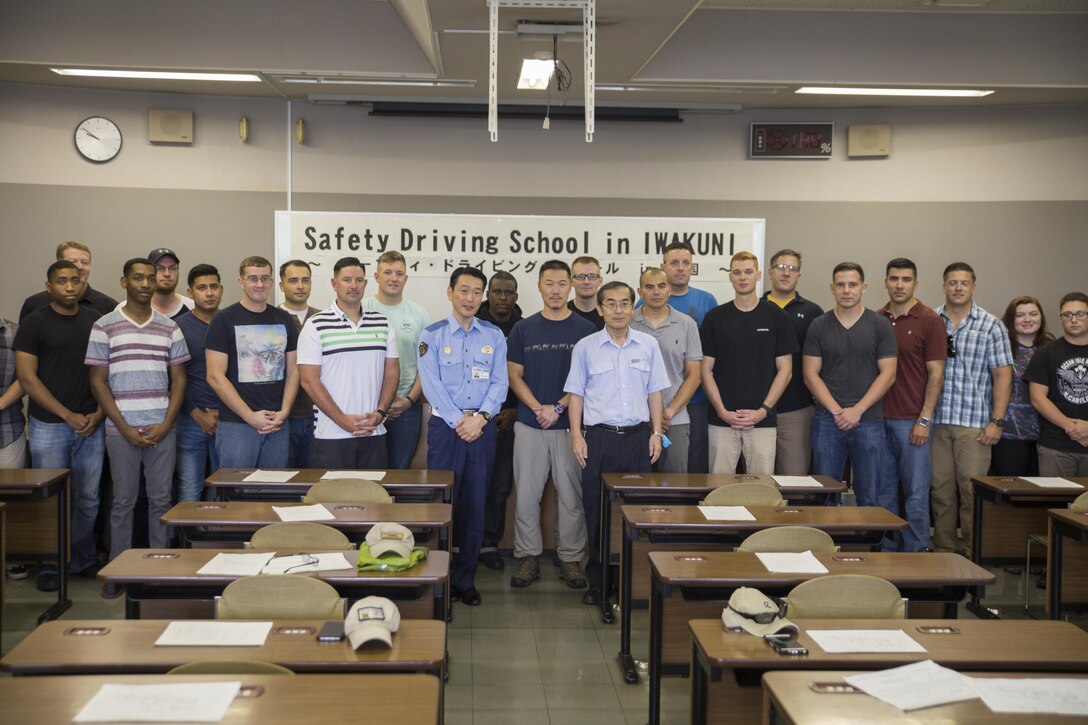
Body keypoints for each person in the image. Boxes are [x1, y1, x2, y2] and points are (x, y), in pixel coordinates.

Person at [565, 281, 669, 606]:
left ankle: (632, 582)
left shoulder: (648, 345)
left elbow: (655, 393)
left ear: (632, 307)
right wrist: (577, 436)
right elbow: (576, 394)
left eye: (624, 303)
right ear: (600, 309)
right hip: (599, 440)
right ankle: (599, 582)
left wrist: (655, 433)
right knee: (597, 513)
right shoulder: (585, 347)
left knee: (636, 513)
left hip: (639, 439)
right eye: (611, 304)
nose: (618, 310)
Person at [85, 258, 188, 563]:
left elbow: (179, 380)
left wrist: (167, 423)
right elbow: (97, 382)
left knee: (161, 500)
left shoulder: (170, 327)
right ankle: (119, 567)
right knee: (123, 502)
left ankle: (159, 566)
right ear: (124, 282)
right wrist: (124, 426)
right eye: (138, 278)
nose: (145, 284)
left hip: (162, 428)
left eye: (150, 278)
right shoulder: (104, 325)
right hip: (120, 429)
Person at [417, 267, 508, 607]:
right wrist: (461, 422)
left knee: (475, 506)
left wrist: (481, 419)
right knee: (443, 507)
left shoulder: (494, 335)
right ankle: (438, 578)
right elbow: (432, 385)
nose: (470, 298)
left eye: (476, 292)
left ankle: (466, 580)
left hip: (482, 431)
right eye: (464, 291)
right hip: (447, 430)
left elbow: (500, 382)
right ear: (450, 292)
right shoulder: (433, 335)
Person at [507, 260, 595, 590]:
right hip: (530, 424)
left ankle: (570, 558)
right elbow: (514, 375)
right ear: (540, 287)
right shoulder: (523, 328)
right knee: (527, 494)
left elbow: (586, 381)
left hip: (570, 427)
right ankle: (528, 556)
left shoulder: (585, 330)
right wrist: (538, 408)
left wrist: (558, 407)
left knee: (571, 496)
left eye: (561, 283)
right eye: (549, 283)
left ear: (570, 286)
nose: (555, 290)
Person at [15, 261, 104, 582]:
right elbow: (27, 379)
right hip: (48, 426)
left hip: (92, 425)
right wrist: (67, 415)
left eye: (75, 280)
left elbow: (105, 375)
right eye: (62, 281)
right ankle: (52, 563)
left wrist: (99, 413)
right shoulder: (35, 323)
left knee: (87, 498)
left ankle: (81, 560)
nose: (70, 286)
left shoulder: (95, 322)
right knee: (51, 498)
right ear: (49, 285)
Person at [931, 262, 1013, 554]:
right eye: (952, 282)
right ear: (943, 286)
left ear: (973, 287)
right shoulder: (932, 321)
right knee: (941, 493)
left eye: (964, 283)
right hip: (937, 423)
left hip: (975, 426)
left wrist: (997, 421)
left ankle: (972, 554)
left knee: (971, 493)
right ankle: (943, 551)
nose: (958, 288)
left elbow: (1003, 376)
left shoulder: (990, 325)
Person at [803, 262, 897, 510]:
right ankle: (827, 548)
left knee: (871, 495)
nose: (846, 290)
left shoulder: (880, 325)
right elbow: (810, 375)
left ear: (863, 287)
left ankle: (867, 549)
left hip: (869, 420)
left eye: (852, 285)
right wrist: (837, 411)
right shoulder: (819, 325)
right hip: (827, 420)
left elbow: (888, 374)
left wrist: (857, 410)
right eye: (841, 285)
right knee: (825, 495)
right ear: (832, 288)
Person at [298, 257, 399, 469]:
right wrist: (341, 419)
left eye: (359, 280)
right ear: (334, 284)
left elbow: (391, 373)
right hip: (330, 435)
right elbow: (308, 380)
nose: (353, 286)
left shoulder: (382, 323)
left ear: (365, 284)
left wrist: (380, 414)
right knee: (331, 501)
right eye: (346, 280)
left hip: (374, 432)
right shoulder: (315, 325)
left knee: (374, 500)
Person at [701, 252, 795, 474]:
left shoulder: (777, 317)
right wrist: (722, 411)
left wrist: (763, 411)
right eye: (737, 272)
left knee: (761, 491)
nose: (743, 277)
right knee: (718, 490)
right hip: (721, 421)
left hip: (762, 421)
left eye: (748, 272)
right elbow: (705, 370)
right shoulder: (715, 317)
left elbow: (786, 370)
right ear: (730, 277)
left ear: (759, 275)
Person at [877, 258, 947, 552]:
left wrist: (924, 419)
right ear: (886, 282)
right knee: (884, 493)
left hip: (912, 421)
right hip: (877, 420)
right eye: (894, 278)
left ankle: (916, 553)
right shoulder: (876, 318)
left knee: (917, 494)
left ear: (915, 284)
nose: (899, 284)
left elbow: (936, 373)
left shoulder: (929, 320)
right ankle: (887, 552)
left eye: (906, 279)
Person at [206, 256, 299, 469]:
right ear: (241, 282)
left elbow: (294, 370)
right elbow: (214, 376)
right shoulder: (223, 320)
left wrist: (284, 412)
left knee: (273, 492)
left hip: (277, 423)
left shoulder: (284, 319)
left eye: (264, 278)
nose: (259, 284)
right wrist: (250, 416)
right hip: (237, 425)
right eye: (253, 278)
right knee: (237, 493)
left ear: (272, 282)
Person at [654, 241, 718, 474]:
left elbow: (712, 351)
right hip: (656, 400)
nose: (680, 268)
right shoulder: (647, 301)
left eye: (685, 263)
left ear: (693, 267)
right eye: (674, 263)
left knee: (693, 465)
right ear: (663, 266)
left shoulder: (707, 301)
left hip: (698, 399)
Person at [631, 268, 703, 473]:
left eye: (661, 286)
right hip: (636, 419)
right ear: (640, 291)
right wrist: (651, 415)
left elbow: (695, 375)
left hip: (675, 420)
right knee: (636, 486)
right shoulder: (627, 323)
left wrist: (668, 413)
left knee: (674, 487)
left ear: (669, 290)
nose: (656, 291)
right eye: (649, 287)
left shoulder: (687, 324)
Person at [474, 271, 523, 570]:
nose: (503, 298)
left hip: (510, 420)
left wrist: (515, 410)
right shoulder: (472, 323)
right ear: (488, 295)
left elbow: (527, 376)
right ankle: (464, 543)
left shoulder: (524, 328)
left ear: (516, 296)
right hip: (474, 421)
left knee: (499, 485)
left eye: (509, 293)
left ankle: (489, 544)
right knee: (470, 484)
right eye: (497, 292)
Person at [364, 251, 430, 468]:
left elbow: (426, 365)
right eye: (388, 272)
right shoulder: (361, 309)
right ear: (376, 277)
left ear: (406, 279)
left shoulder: (420, 315)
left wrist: (410, 400)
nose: (394, 278)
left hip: (405, 407)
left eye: (399, 273)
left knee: (400, 472)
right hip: (367, 406)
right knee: (368, 471)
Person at [762, 249, 823, 475]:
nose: (786, 273)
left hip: (796, 409)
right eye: (781, 267)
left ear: (799, 275)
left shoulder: (813, 312)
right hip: (757, 410)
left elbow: (819, 361)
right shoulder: (754, 307)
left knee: (794, 479)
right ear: (769, 272)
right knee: (757, 481)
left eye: (793, 269)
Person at [174, 264, 224, 502]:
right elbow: (175, 379)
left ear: (222, 289)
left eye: (214, 286)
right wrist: (196, 413)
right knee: (189, 488)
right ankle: (188, 541)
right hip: (190, 419)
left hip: (229, 420)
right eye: (202, 288)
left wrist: (221, 411)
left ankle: (218, 539)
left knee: (223, 487)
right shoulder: (178, 328)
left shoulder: (230, 322)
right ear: (190, 292)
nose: (209, 293)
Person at [1026, 292, 1088, 476]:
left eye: (1081, 314)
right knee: (1055, 503)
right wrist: (1071, 427)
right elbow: (1037, 398)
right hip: (1056, 446)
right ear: (1061, 318)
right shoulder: (1045, 354)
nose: (1074, 319)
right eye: (1067, 314)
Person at [992, 295, 1053, 477]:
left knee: (1039, 497)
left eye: (1033, 314)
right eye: (1020, 315)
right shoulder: (1000, 349)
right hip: (1008, 434)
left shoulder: (1052, 348)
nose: (1027, 320)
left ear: (1041, 317)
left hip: (1047, 436)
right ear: (1011, 320)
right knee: (1011, 497)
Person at [279, 259, 320, 468]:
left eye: (305, 280)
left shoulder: (323, 319)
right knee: (284, 480)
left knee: (316, 478)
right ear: (281, 285)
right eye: (293, 280)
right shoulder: (273, 318)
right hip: (283, 417)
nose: (300, 286)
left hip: (319, 415)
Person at [20, 241, 118, 321]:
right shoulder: (34, 304)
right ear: (59, 264)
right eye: (73, 262)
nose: (80, 267)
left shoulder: (109, 306)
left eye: (84, 262)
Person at [147, 248, 193, 320]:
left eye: (173, 268)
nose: (167, 274)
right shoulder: (131, 309)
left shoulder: (193, 308)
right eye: (159, 268)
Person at [568, 256, 605, 330]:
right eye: (580, 276)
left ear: (600, 281)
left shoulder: (609, 314)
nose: (586, 282)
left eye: (592, 276)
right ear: (571, 282)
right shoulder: (563, 312)